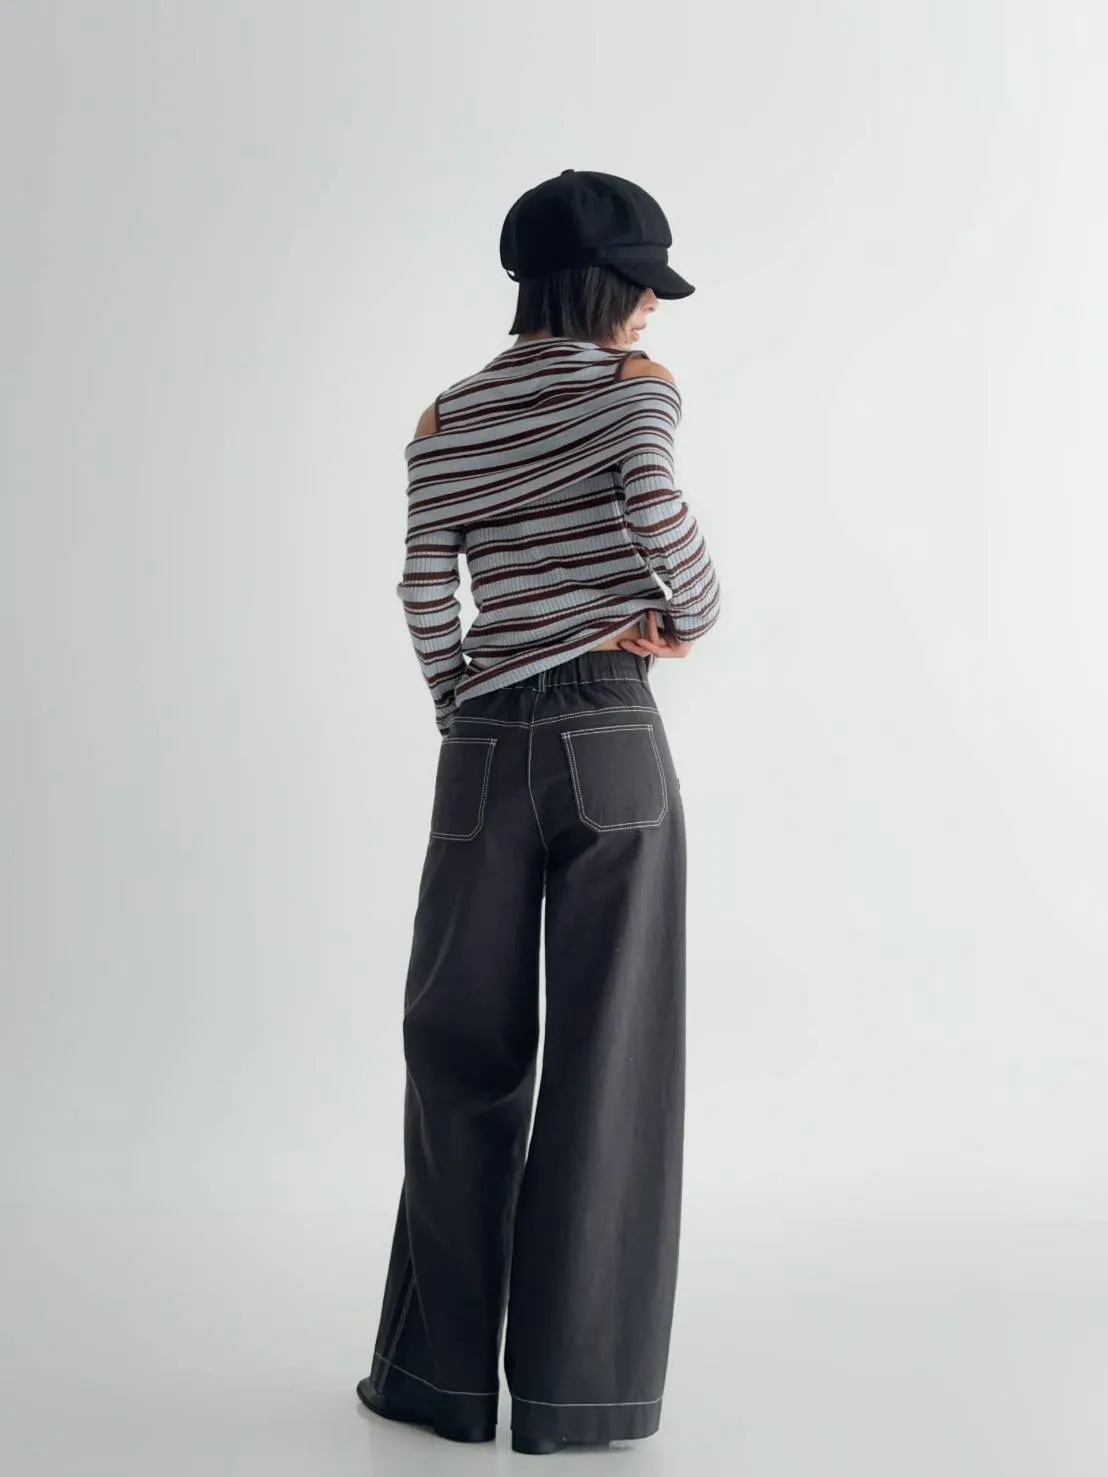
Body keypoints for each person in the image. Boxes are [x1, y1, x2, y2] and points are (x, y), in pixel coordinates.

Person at [355, 169, 721, 1456]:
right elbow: (655, 507)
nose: (652, 311)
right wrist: (691, 615)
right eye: (644, 287)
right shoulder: (634, 388)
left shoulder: (446, 413)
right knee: (611, 1064)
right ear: (607, 287)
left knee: (457, 1054)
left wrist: (461, 703)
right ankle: (577, 1398)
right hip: (608, 735)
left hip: (479, 746)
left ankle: (432, 1383)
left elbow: (423, 586)